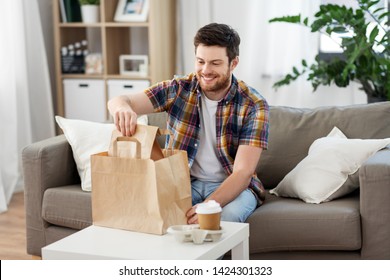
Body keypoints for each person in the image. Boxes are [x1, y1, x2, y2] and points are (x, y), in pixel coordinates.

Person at [108, 23, 269, 225]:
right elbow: (120, 100)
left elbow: (243, 173)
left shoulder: (254, 105)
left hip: (233, 186)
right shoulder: (178, 89)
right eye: (200, 61)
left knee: (223, 219)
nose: (205, 70)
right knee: (155, 215)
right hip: (184, 183)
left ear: (233, 63)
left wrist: (210, 205)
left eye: (215, 63)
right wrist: (122, 108)